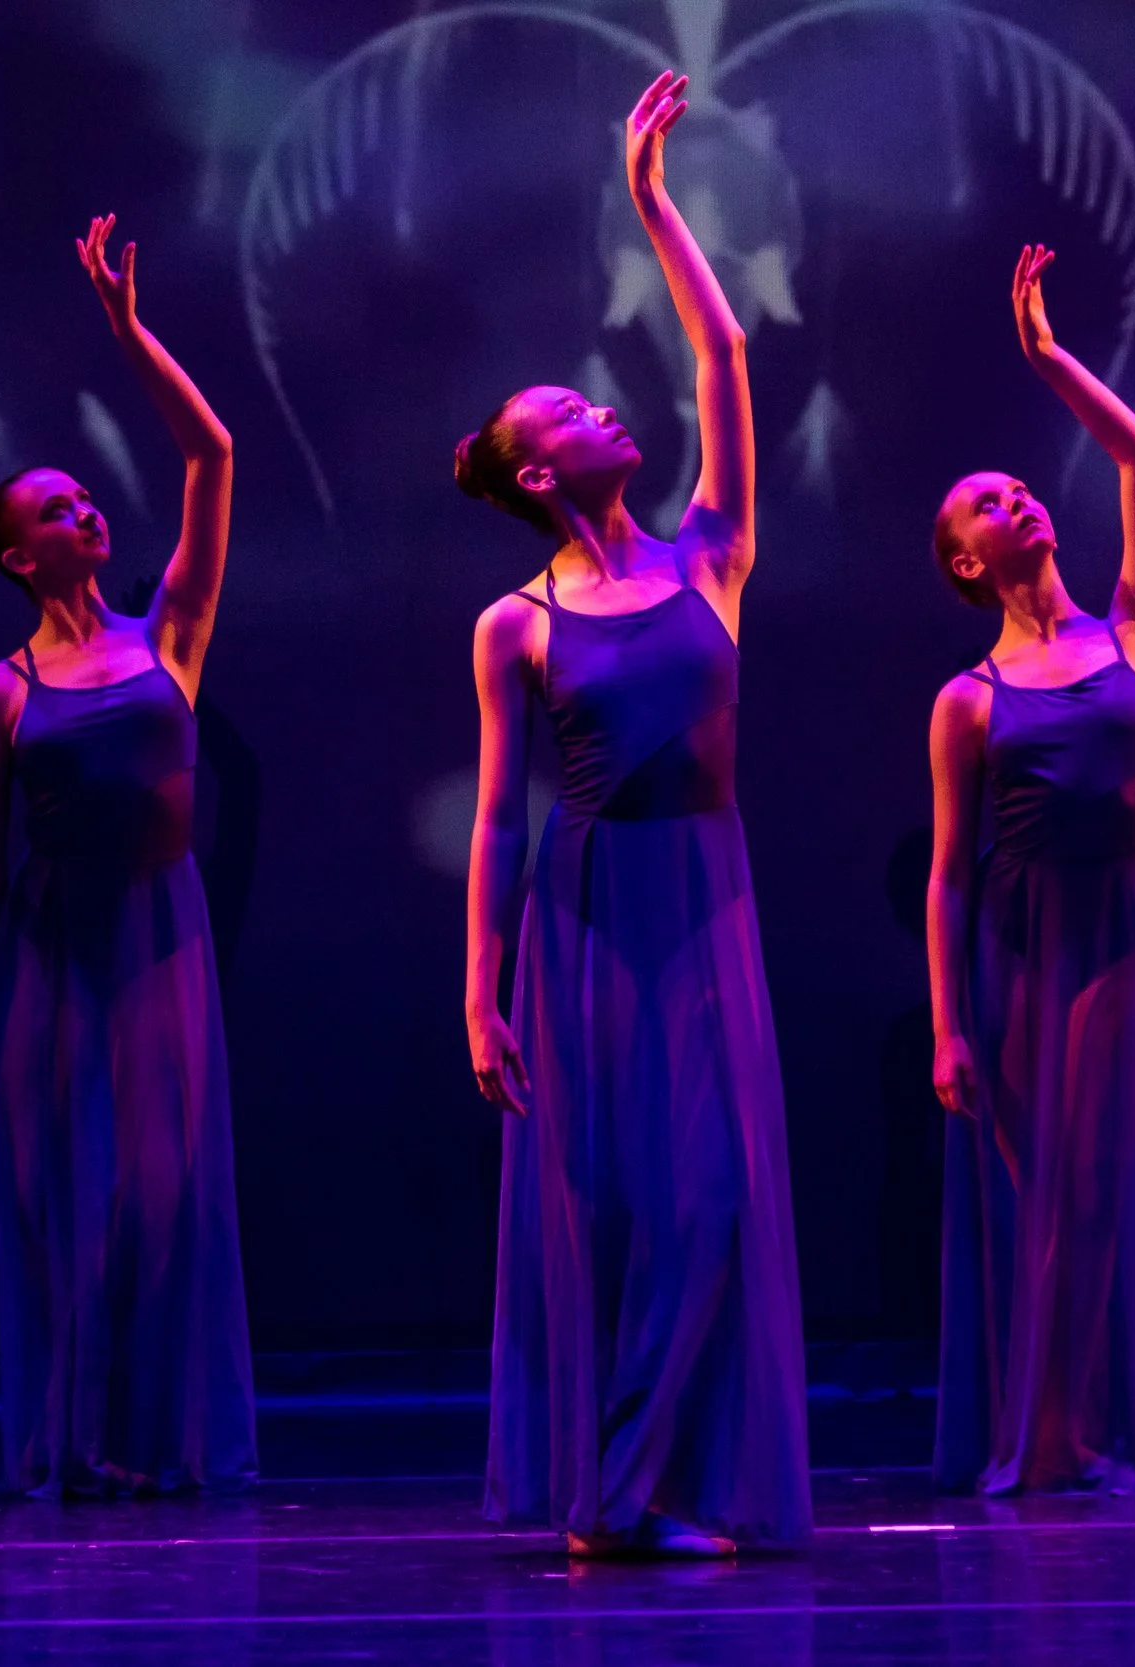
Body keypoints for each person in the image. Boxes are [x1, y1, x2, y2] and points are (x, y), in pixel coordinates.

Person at [460, 72, 810, 1557]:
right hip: (591, 910)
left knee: (715, 1199)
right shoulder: (515, 622)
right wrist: (480, 993)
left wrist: (652, 195)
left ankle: (651, 1476)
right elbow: (491, 819)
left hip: (708, 896)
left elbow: (724, 351)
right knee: (616, 1205)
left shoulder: (710, 553)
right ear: (544, 472)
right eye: (574, 411)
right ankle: (619, 1496)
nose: (609, 405)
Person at [0, 218, 255, 1499]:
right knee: (74, 1199)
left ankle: (155, 1427)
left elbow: (212, 453)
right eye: (57, 508)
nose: (85, 508)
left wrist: (128, 331)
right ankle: (85, 1436)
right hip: (58, 950)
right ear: (22, 556)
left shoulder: (169, 634)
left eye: (85, 495)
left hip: (159, 939)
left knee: (160, 1196)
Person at [923, 244, 1135, 1496]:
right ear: (964, 563)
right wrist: (947, 1025)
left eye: (1014, 490)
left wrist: (1051, 362)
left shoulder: (1132, 633)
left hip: (1131, 926)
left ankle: (1107, 1420)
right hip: (1025, 938)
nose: (1015, 505)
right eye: (984, 506)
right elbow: (945, 873)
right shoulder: (968, 698)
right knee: (1048, 1184)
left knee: (1120, 1175)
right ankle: (1050, 1428)